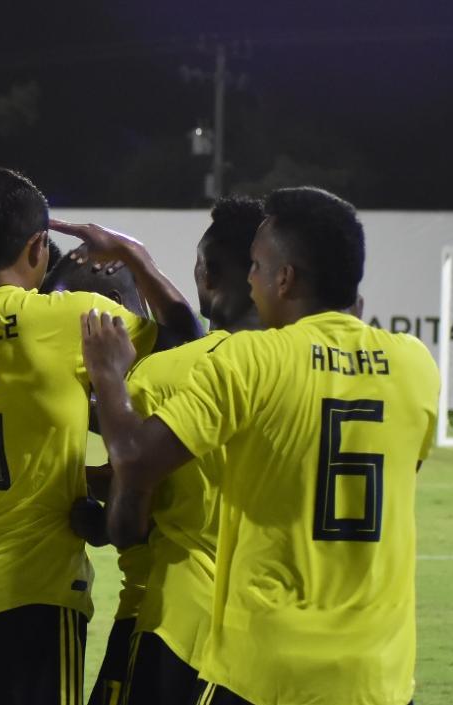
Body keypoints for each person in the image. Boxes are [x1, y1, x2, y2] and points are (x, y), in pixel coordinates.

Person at [82, 186, 439, 705]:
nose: (251, 279)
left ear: (285, 277)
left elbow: (135, 462)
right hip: (378, 675)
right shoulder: (414, 363)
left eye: (257, 266)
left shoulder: (252, 360)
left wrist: (109, 374)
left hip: (270, 670)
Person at [0, 167, 200, 705]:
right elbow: (185, 339)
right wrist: (131, 255)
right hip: (40, 595)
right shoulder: (67, 319)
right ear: (38, 247)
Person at [109, 196, 265, 705]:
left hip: (179, 622)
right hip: (275, 632)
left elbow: (127, 520)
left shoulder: (162, 375)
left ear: (210, 274)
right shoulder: (307, 371)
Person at [39, 246, 154, 705]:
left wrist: (93, 517)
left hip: (163, 619)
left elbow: (128, 525)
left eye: (66, 310)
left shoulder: (146, 383)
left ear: (107, 306)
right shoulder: (172, 364)